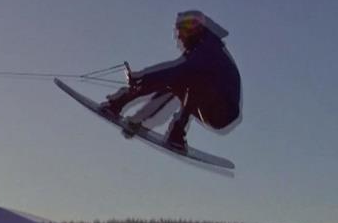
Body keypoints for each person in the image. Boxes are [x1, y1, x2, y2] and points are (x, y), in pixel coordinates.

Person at [100, 10, 241, 150]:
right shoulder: (203, 47)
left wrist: (142, 78)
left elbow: (176, 73)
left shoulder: (208, 50)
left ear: (194, 30)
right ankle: (129, 111)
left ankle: (177, 135)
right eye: (178, 31)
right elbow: (170, 81)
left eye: (182, 31)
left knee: (184, 79)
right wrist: (137, 118)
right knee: (176, 81)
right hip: (214, 106)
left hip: (223, 111)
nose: (179, 36)